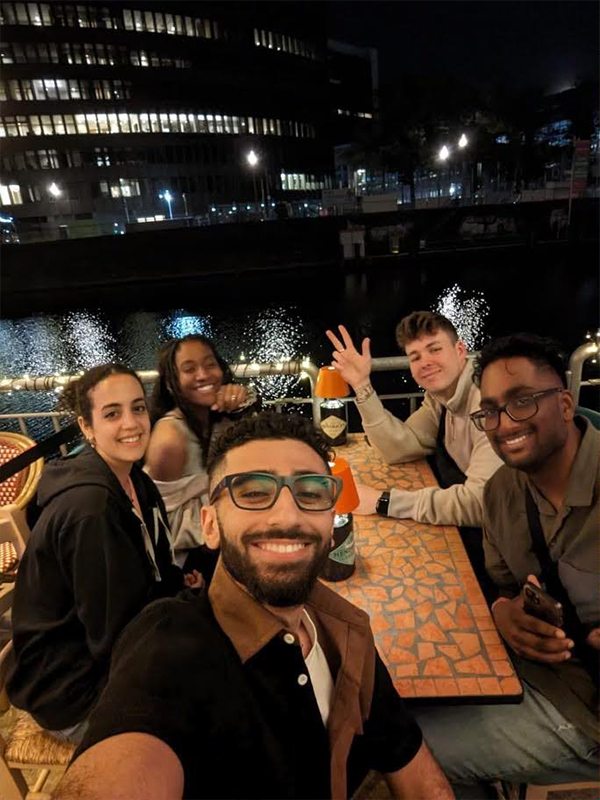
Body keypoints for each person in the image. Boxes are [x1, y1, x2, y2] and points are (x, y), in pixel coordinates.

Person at [54, 413, 454, 800]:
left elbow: (409, 761)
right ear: (210, 525)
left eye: (311, 492)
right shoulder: (170, 645)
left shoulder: (346, 627)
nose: (288, 514)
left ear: (332, 523)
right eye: (253, 493)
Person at [414, 334, 599, 796]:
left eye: (522, 401)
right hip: (518, 672)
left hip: (585, 709)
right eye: (490, 410)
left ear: (565, 404)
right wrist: (502, 613)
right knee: (393, 713)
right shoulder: (500, 492)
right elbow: (502, 585)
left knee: (409, 753)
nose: (503, 423)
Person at [7, 364, 200, 744]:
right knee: (207, 720)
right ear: (87, 427)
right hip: (73, 690)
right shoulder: (91, 512)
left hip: (106, 655)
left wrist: (179, 590)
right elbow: (115, 637)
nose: (131, 423)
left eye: (138, 408)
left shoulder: (136, 481)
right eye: (112, 414)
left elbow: (152, 571)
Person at [327, 312, 502, 600]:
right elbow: (399, 447)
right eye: (415, 356)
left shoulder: (488, 402)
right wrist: (361, 386)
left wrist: (383, 501)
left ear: (460, 350)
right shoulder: (441, 398)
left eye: (435, 349)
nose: (425, 362)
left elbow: (479, 504)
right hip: (462, 532)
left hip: (500, 551)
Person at [145, 334, 258, 571]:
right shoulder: (170, 439)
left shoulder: (214, 416)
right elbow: (162, 523)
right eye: (189, 369)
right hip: (189, 565)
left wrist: (243, 402)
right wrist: (230, 511)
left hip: (219, 540)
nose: (203, 375)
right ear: (171, 384)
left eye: (210, 364)